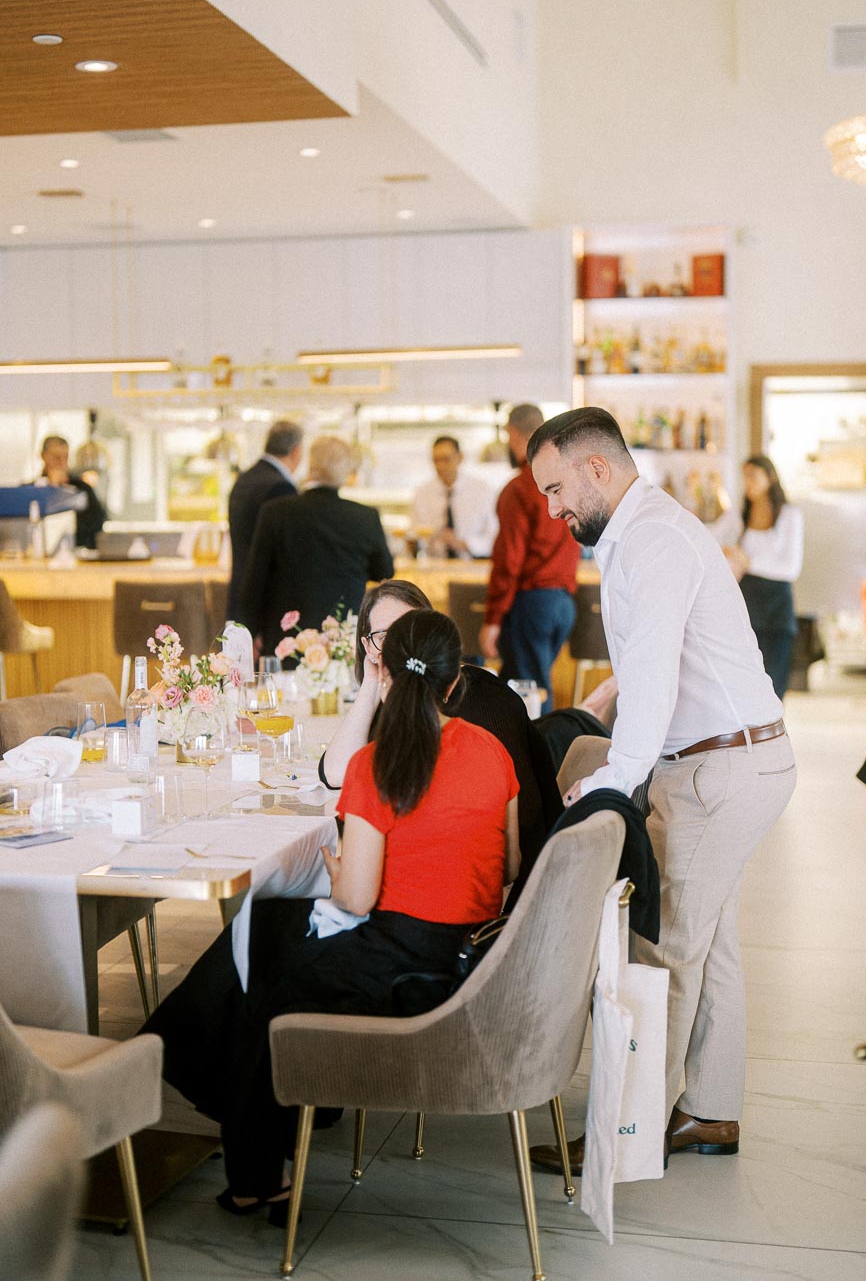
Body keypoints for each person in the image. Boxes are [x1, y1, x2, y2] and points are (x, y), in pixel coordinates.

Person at [146, 608, 520, 1218]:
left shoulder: (376, 764)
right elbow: (507, 865)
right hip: (469, 955)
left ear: (386, 676)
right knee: (264, 924)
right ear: (455, 684)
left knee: (266, 980)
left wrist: (341, 868)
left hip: (405, 972)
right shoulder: (491, 752)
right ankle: (199, 1086)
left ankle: (246, 1164)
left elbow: (355, 899)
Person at [525, 407, 796, 1174]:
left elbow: (654, 687)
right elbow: (652, 660)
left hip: (718, 771)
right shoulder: (647, 531)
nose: (553, 510)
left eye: (556, 489)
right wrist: (605, 703)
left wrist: (608, 783)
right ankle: (711, 1110)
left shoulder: (650, 540)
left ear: (597, 468)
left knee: (663, 952)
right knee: (712, 947)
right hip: (741, 758)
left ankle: (625, 1135)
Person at [320, 579, 562, 902]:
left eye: (412, 628)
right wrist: (371, 683)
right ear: (369, 647)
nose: (403, 646)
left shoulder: (483, 703)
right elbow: (336, 773)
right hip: (464, 909)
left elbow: (515, 845)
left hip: (509, 899)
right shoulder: (390, 709)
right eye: (386, 637)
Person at [240, 435, 394, 652]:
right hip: (343, 637)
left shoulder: (275, 512)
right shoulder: (365, 517)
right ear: (345, 472)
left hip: (286, 638)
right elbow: (384, 571)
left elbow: (255, 580)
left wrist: (251, 630)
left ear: (310, 465)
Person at [479, 404, 580, 713]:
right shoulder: (566, 483)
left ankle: (540, 761)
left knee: (531, 694)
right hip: (563, 603)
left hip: (532, 604)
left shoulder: (519, 489)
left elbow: (509, 560)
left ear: (513, 434)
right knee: (525, 688)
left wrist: (493, 619)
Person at [710, 455, 804, 701]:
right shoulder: (739, 515)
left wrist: (747, 561)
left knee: (774, 688)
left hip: (777, 611)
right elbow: (709, 536)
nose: (747, 483)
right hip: (746, 609)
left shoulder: (789, 515)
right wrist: (729, 552)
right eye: (744, 477)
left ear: (770, 477)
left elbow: (791, 568)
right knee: (745, 687)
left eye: (753, 475)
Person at [226, 420, 303, 621]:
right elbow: (284, 552)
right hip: (266, 604)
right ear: (296, 451)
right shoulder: (281, 487)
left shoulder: (244, 479)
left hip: (239, 594)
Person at [410, 435, 498, 559]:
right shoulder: (422, 493)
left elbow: (494, 538)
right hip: (435, 565)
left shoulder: (483, 490)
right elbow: (415, 533)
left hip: (473, 564)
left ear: (460, 458)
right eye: (436, 460)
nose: (440, 466)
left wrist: (463, 544)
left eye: (446, 459)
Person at [38, 434, 107, 550]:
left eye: (65, 457)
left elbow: (98, 522)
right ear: (44, 457)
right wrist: (53, 487)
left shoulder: (82, 489)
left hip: (77, 552)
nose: (61, 462)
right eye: (56, 457)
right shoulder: (33, 489)